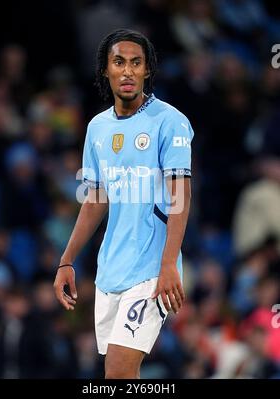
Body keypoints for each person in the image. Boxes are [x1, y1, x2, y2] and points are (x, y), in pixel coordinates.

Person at [53, 29, 194, 379]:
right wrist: (66, 259)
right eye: (119, 62)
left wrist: (168, 265)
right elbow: (95, 199)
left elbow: (181, 195)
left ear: (147, 70)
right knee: (114, 375)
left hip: (152, 267)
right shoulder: (97, 128)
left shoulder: (170, 121)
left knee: (118, 369)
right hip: (110, 268)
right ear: (106, 70)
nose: (127, 71)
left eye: (136, 63)